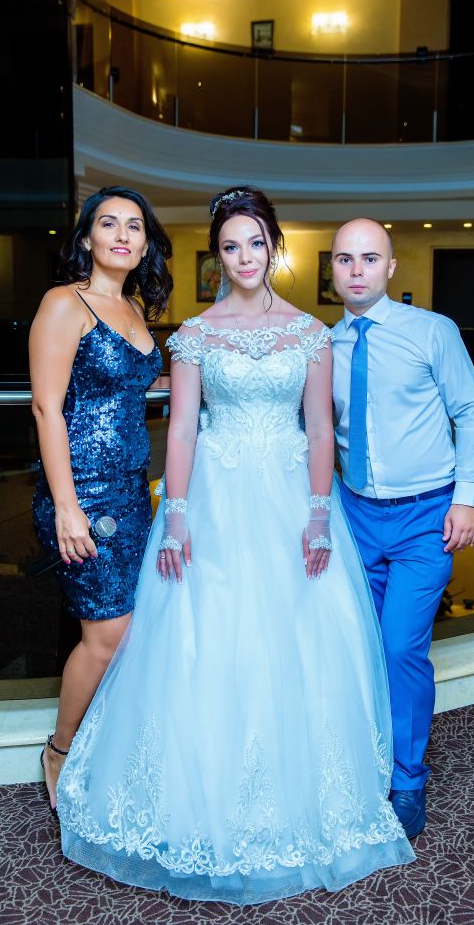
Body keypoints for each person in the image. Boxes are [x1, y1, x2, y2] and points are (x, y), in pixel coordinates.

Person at [55, 187, 414, 904]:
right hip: (214, 501)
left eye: (255, 243)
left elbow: (320, 428)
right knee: (208, 640)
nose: (244, 257)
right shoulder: (194, 334)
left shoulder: (310, 333)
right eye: (230, 246)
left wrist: (319, 512)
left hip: (289, 500)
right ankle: (200, 796)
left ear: (273, 247)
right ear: (217, 255)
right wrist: (177, 513)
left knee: (294, 638)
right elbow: (184, 429)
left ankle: (292, 799)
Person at [331, 218, 474, 839]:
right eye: (345, 259)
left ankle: (407, 779)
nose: (357, 270)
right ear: (332, 269)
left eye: (370, 258)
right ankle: (367, 761)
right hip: (354, 514)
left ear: (391, 267)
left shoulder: (432, 331)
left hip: (426, 515)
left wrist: (466, 500)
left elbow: (470, 411)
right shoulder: (324, 345)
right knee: (362, 648)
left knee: (400, 646)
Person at [30, 186, 172, 812]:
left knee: (132, 627)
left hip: (133, 493)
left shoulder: (133, 309)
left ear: (144, 245)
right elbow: (47, 407)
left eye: (134, 226)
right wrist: (66, 506)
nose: (122, 234)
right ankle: (60, 750)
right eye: (108, 223)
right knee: (107, 634)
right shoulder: (65, 303)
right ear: (87, 238)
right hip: (83, 495)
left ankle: (103, 744)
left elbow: (136, 384)